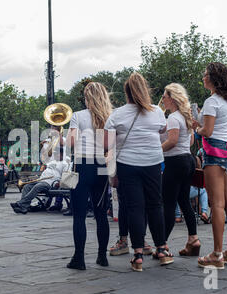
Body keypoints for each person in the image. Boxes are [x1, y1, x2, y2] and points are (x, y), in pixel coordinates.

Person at [104, 72, 173, 272]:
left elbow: (106, 144)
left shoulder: (117, 114)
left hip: (127, 163)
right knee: (155, 204)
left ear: (127, 93)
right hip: (153, 162)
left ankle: (138, 254)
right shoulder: (157, 112)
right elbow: (163, 130)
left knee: (135, 207)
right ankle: (162, 249)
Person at [192, 62, 227, 269]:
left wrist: (196, 126)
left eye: (205, 74)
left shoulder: (212, 101)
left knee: (216, 204)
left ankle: (217, 254)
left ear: (213, 78)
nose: (203, 77)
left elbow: (208, 132)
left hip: (214, 153)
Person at [65, 81, 112, 270]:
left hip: (82, 164)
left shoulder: (78, 116)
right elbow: (110, 145)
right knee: (101, 213)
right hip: (101, 164)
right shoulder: (110, 116)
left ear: (87, 98)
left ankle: (79, 258)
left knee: (79, 215)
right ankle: (102, 256)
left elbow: (71, 142)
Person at [160, 83, 200, 256]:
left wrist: (155, 149)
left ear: (173, 98)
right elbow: (190, 142)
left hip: (175, 162)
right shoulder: (185, 117)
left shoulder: (173, 118)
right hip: (187, 160)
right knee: (184, 201)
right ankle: (193, 239)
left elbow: (172, 141)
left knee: (168, 204)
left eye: (165, 96)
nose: (162, 99)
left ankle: (162, 244)